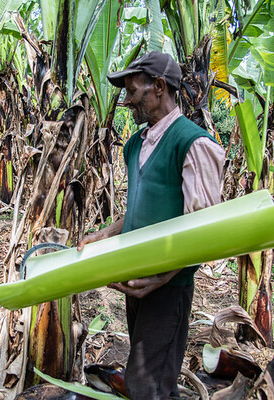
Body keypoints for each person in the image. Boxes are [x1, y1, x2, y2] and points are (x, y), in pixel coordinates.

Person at [77, 52, 225, 399]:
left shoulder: (192, 143)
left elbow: (206, 229)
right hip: (136, 280)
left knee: (147, 385)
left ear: (159, 87)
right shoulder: (134, 145)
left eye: (132, 90)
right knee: (154, 381)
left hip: (168, 285)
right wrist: (104, 233)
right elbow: (141, 213)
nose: (126, 101)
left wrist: (165, 276)